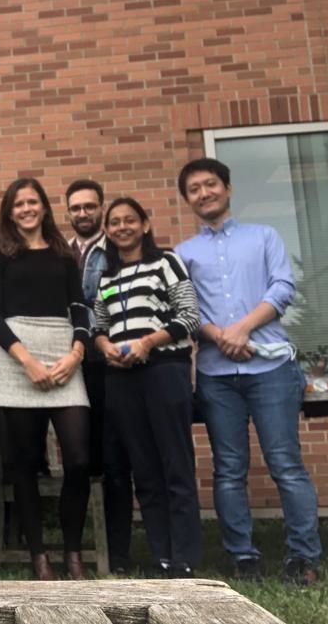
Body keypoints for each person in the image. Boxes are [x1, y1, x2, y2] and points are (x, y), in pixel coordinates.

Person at [175, 157, 321, 585]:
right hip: (218, 375)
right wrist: (220, 336)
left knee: (285, 463)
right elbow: (184, 306)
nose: (205, 193)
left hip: (271, 365)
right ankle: (243, 556)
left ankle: (303, 557)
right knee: (229, 468)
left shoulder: (264, 237)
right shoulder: (183, 254)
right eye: (195, 189)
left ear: (228, 188)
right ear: (187, 200)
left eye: (211, 184)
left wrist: (241, 328)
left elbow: (282, 287)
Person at [0, 177, 91, 581]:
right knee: (25, 463)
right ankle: (39, 556)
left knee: (78, 459)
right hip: (17, 356)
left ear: (44, 207)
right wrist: (25, 360)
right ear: (9, 212)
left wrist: (76, 353)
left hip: (64, 353)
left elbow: (79, 307)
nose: (26, 209)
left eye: (33, 202)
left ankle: (73, 551)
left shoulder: (64, 253)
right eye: (18, 204)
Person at [92, 197, 203, 577]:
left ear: (144, 224)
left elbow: (189, 317)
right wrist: (105, 346)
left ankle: (185, 558)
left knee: (175, 464)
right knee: (145, 469)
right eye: (115, 222)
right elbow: (99, 324)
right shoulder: (106, 277)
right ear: (107, 231)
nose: (122, 227)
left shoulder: (166, 262)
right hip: (121, 378)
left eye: (129, 220)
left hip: (163, 370)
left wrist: (146, 343)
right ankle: (162, 556)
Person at [64, 178, 134, 573]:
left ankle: (118, 553)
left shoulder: (116, 251)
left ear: (101, 208)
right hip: (71, 364)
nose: (83, 213)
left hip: (110, 362)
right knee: (80, 457)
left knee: (115, 459)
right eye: (75, 208)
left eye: (89, 206)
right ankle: (81, 544)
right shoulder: (60, 251)